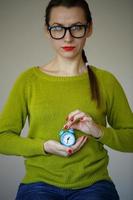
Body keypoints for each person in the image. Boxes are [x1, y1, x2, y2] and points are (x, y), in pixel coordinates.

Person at [0, 0, 133, 199]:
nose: (68, 38)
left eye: (77, 27)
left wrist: (98, 131)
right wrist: (44, 147)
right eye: (58, 28)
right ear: (47, 30)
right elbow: (2, 138)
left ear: (89, 29)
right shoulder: (29, 80)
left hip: (94, 184)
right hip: (38, 183)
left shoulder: (106, 81)